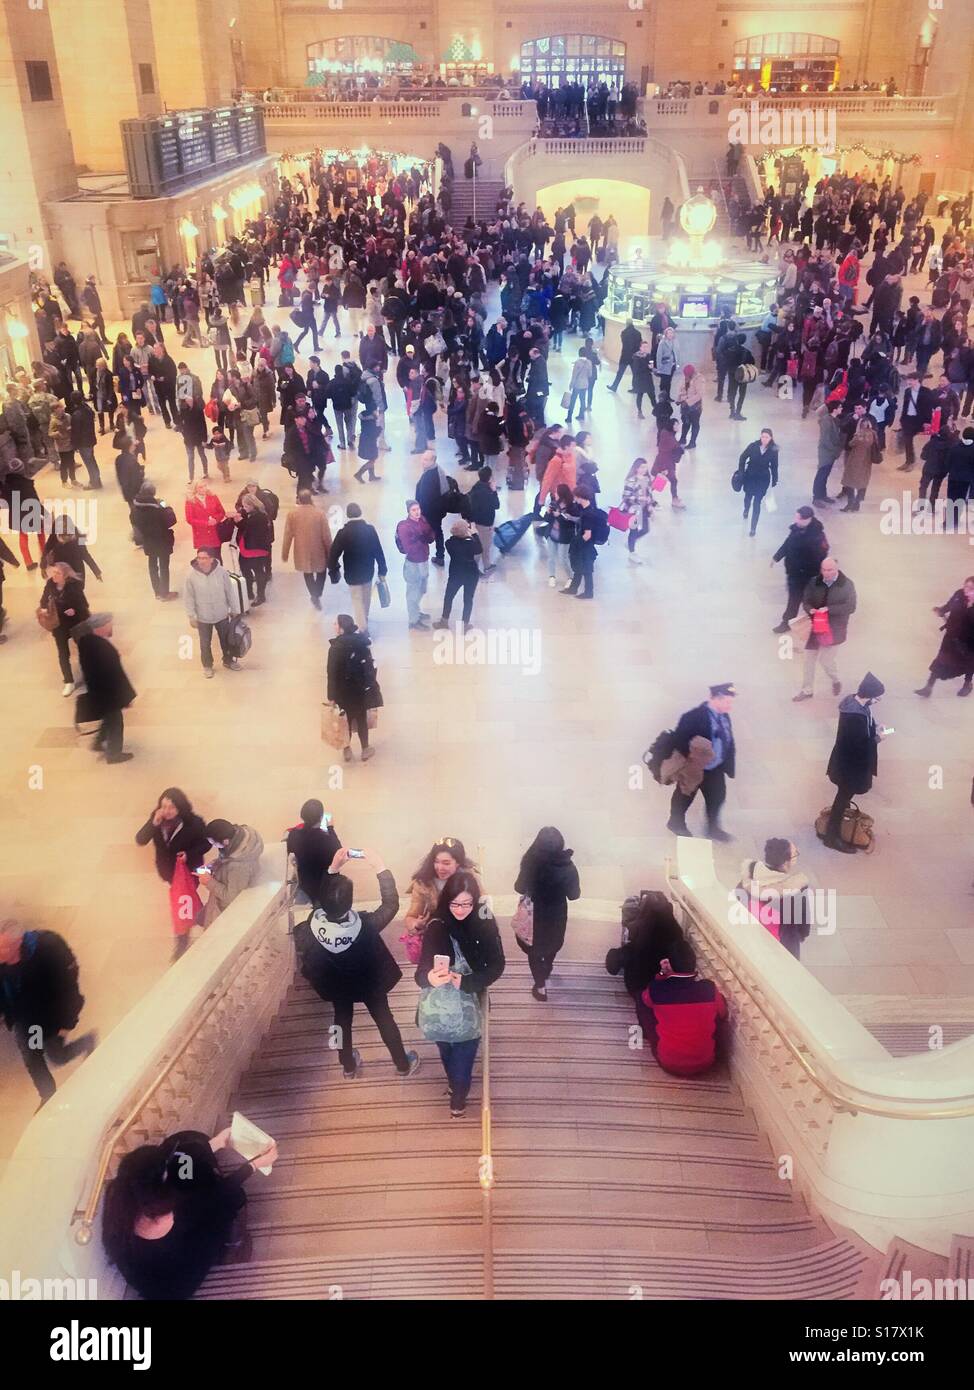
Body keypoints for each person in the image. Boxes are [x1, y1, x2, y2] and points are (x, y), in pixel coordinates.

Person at [102, 1127, 276, 1299]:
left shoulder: (119, 1202)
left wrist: (215, 1143)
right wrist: (254, 1164)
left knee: (190, 1170)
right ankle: (233, 1251)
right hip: (178, 1289)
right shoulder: (181, 1213)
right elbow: (221, 1194)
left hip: (152, 1284)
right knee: (231, 1198)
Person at [294, 847, 419, 1080]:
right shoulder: (366, 925)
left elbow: (322, 904)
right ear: (350, 901)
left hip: (337, 986)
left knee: (341, 1020)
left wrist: (333, 869)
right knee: (384, 1019)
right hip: (369, 983)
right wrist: (380, 867)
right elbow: (390, 904)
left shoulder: (314, 923)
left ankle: (348, 1065)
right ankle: (402, 1064)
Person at [415, 871, 505, 1117]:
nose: (460, 910)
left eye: (467, 904)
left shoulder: (484, 921)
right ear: (446, 901)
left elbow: (497, 965)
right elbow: (420, 973)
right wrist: (430, 978)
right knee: (447, 1049)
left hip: (471, 999)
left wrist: (467, 982)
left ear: (475, 901)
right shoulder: (437, 925)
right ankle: (457, 1089)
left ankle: (458, 1095)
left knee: (463, 1053)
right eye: (455, 903)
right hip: (441, 1006)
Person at [0, 920, 96, 1107]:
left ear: (16, 944)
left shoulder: (47, 948)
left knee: (57, 1056)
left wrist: (67, 1023)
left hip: (48, 1017)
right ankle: (48, 1095)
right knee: (32, 1055)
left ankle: (87, 1042)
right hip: (26, 1020)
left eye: (2, 947)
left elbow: (69, 986)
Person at [639, 938, 727, 1077]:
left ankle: (645, 1035)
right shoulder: (708, 988)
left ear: (670, 966)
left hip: (669, 1063)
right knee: (718, 1004)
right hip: (706, 1063)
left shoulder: (657, 989)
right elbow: (723, 1014)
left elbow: (646, 999)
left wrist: (662, 974)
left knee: (642, 1000)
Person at [821, 672, 886, 853]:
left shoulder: (856, 705)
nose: (877, 701)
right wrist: (878, 738)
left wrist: (876, 729)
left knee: (844, 797)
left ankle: (839, 826)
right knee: (842, 798)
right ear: (870, 696)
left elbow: (864, 729)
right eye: (877, 698)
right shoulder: (855, 716)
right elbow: (859, 745)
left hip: (846, 764)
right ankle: (832, 837)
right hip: (849, 767)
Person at [513, 826, 580, 1000]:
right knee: (553, 944)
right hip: (556, 915)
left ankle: (540, 985)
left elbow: (519, 887)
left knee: (534, 950)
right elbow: (574, 895)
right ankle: (548, 967)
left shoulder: (530, 863)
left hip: (533, 915)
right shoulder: (568, 867)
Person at [665, 683, 737, 840]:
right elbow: (679, 740)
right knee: (685, 795)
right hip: (695, 767)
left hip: (716, 768)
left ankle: (713, 828)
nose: (730, 706)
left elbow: (728, 739)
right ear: (715, 699)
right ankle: (675, 822)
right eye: (727, 702)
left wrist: (727, 762)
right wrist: (691, 760)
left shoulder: (724, 716)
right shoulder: (693, 717)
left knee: (717, 797)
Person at [605, 890, 685, 1016]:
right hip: (668, 992)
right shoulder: (676, 938)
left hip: (639, 989)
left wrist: (615, 953)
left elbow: (612, 967)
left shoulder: (639, 940)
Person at [73, 612, 137, 763]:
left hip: (97, 693)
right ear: (100, 627)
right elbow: (116, 676)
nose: (111, 626)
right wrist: (126, 697)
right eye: (109, 623)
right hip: (108, 695)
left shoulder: (86, 642)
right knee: (115, 722)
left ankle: (97, 743)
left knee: (108, 719)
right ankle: (114, 755)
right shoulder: (102, 648)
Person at [402, 839, 477, 963]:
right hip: (437, 933)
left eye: (446, 863)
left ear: (458, 863)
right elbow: (411, 916)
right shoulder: (423, 883)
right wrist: (416, 924)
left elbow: (481, 906)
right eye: (436, 862)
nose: (440, 867)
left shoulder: (470, 878)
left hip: (465, 931)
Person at [737, 839, 812, 959]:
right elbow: (803, 922)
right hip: (781, 944)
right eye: (795, 854)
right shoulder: (796, 890)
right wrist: (801, 935)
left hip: (751, 937)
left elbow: (738, 901)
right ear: (787, 862)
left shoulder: (749, 879)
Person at [794, 557, 857, 702]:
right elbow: (806, 600)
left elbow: (851, 606)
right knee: (809, 659)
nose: (826, 573)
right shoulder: (814, 581)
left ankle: (835, 680)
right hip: (816, 627)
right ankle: (807, 689)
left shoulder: (847, 585)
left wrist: (828, 610)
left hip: (834, 629)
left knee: (826, 660)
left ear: (836, 569)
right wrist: (811, 610)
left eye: (829, 570)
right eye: (823, 569)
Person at [326, 613, 382, 763]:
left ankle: (347, 749)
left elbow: (331, 674)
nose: (334, 626)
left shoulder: (335, 648)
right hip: (360, 690)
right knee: (361, 718)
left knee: (346, 720)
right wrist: (370, 686)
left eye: (335, 624)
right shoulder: (362, 643)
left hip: (342, 692)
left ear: (342, 628)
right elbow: (369, 666)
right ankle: (365, 749)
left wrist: (331, 696)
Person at [328, 502, 387, 636]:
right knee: (366, 598)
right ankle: (363, 620)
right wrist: (382, 569)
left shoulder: (343, 533)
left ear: (347, 515)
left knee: (357, 600)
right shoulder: (370, 530)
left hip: (352, 573)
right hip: (368, 571)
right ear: (360, 512)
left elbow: (333, 553)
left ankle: (363, 630)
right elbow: (378, 550)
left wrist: (332, 569)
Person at [184, 547, 241, 678]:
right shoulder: (191, 576)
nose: (201, 561)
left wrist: (234, 609)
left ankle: (228, 660)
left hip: (221, 614)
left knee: (226, 640)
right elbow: (189, 597)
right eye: (199, 558)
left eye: (204, 558)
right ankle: (207, 665)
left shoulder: (221, 572)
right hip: (203, 616)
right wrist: (191, 616)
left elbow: (229, 592)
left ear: (212, 559)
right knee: (205, 643)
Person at [770, 507, 829, 633]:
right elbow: (787, 543)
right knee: (793, 600)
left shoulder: (817, 536)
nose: (796, 520)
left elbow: (821, 556)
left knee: (811, 603)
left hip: (808, 576)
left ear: (808, 519)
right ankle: (786, 622)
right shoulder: (796, 529)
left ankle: (820, 625)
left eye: (799, 518)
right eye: (796, 517)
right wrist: (776, 557)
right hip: (794, 574)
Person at [915, 577, 974, 699]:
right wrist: (941, 610)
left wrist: (970, 606)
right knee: (940, 659)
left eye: (971, 588)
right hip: (951, 636)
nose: (966, 590)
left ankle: (967, 684)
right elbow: (950, 605)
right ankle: (928, 687)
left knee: (969, 663)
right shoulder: (959, 594)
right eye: (966, 586)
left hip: (968, 641)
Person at [199, 819, 265, 927]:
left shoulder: (238, 866)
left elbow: (232, 898)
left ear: (225, 841)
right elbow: (228, 859)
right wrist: (215, 864)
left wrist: (209, 882)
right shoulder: (238, 840)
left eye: (214, 843)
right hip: (223, 907)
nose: (214, 846)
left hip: (227, 917)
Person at [39, 561, 90, 695]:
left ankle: (90, 675)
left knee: (84, 650)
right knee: (63, 653)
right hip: (59, 625)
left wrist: (74, 610)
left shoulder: (74, 586)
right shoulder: (50, 584)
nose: (54, 575)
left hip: (76, 622)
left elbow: (84, 604)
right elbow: (43, 600)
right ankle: (68, 681)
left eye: (58, 573)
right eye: (53, 572)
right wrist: (44, 608)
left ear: (65, 576)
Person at [281, 489, 333, 610]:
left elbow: (287, 535)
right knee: (321, 571)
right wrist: (331, 552)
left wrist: (285, 553)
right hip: (318, 549)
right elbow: (326, 535)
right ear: (311, 499)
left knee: (307, 572)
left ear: (299, 499)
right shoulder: (319, 513)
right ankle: (317, 593)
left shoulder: (292, 514)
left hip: (301, 549)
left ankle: (313, 594)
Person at [285, 799, 342, 904]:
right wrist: (330, 828)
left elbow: (290, 851)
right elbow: (340, 853)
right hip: (322, 887)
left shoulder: (293, 834)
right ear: (321, 817)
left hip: (304, 883)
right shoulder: (325, 839)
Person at [131, 482, 177, 601]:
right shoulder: (158, 507)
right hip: (162, 540)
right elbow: (171, 520)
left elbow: (133, 521)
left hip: (148, 541)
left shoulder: (135, 507)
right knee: (163, 567)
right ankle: (165, 593)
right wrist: (167, 507)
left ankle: (157, 592)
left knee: (152, 566)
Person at [434, 519, 482, 630]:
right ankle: (465, 624)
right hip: (471, 574)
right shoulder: (471, 544)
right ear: (465, 531)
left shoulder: (449, 543)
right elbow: (479, 549)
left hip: (456, 574)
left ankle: (444, 621)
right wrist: (473, 534)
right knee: (468, 599)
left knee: (449, 597)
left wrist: (463, 534)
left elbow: (454, 539)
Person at [562, 484, 607, 598]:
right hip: (587, 545)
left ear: (580, 497)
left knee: (586, 569)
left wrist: (577, 545)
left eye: (576, 497)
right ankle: (574, 588)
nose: (575, 499)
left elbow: (587, 535)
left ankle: (588, 592)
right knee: (580, 567)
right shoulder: (589, 510)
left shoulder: (588, 514)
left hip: (585, 545)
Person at [395, 499, 435, 629]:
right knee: (413, 591)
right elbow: (408, 548)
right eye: (413, 510)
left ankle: (416, 611)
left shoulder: (423, 520)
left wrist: (428, 537)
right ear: (408, 512)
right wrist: (420, 540)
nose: (417, 512)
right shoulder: (404, 527)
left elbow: (431, 534)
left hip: (424, 560)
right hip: (413, 564)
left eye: (418, 509)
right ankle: (413, 620)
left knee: (422, 589)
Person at [232, 493, 273, 607]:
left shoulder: (260, 517)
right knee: (245, 570)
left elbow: (250, 529)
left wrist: (239, 522)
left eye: (245, 505)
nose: (243, 507)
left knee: (259, 572)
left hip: (256, 550)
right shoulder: (250, 514)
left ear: (251, 505)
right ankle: (249, 592)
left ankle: (260, 595)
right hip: (247, 548)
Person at [737, 429, 779, 537]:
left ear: (771, 438)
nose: (764, 439)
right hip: (750, 477)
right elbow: (742, 457)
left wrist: (775, 479)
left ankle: (753, 528)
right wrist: (741, 472)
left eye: (767, 437)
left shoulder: (774, 450)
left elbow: (774, 466)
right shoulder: (753, 446)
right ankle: (746, 509)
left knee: (757, 503)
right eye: (763, 436)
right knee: (748, 497)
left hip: (763, 479)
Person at [839, 417, 880, 512]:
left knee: (849, 482)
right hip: (867, 461)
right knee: (863, 482)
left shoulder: (859, 435)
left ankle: (850, 503)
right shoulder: (873, 434)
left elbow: (850, 444)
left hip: (855, 460)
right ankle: (857, 503)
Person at [619, 458, 655, 565]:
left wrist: (650, 505)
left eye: (645, 467)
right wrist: (639, 499)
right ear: (636, 468)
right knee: (633, 530)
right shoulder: (631, 481)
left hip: (643, 509)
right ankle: (632, 552)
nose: (644, 469)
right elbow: (625, 497)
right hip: (633, 510)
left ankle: (631, 543)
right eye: (642, 467)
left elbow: (649, 494)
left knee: (645, 529)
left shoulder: (647, 479)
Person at [467, 466, 500, 576]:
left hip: (476, 522)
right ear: (490, 477)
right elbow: (496, 505)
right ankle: (474, 569)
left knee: (482, 546)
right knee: (483, 547)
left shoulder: (476, 487)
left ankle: (487, 565)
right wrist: (494, 491)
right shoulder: (487, 492)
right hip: (485, 524)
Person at [184, 480, 226, 555]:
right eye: (200, 487)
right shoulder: (190, 501)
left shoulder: (213, 497)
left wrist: (215, 520)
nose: (204, 489)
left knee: (217, 557)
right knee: (204, 559)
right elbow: (189, 519)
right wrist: (206, 523)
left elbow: (222, 512)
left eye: (205, 486)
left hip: (214, 533)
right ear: (195, 489)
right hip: (201, 535)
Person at [675, 364, 703, 448]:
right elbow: (681, 390)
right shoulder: (685, 378)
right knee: (685, 422)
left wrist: (687, 402)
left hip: (695, 407)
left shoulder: (699, 379)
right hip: (685, 406)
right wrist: (679, 400)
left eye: (687, 375)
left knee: (695, 424)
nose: (685, 377)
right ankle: (683, 439)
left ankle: (692, 442)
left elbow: (699, 394)